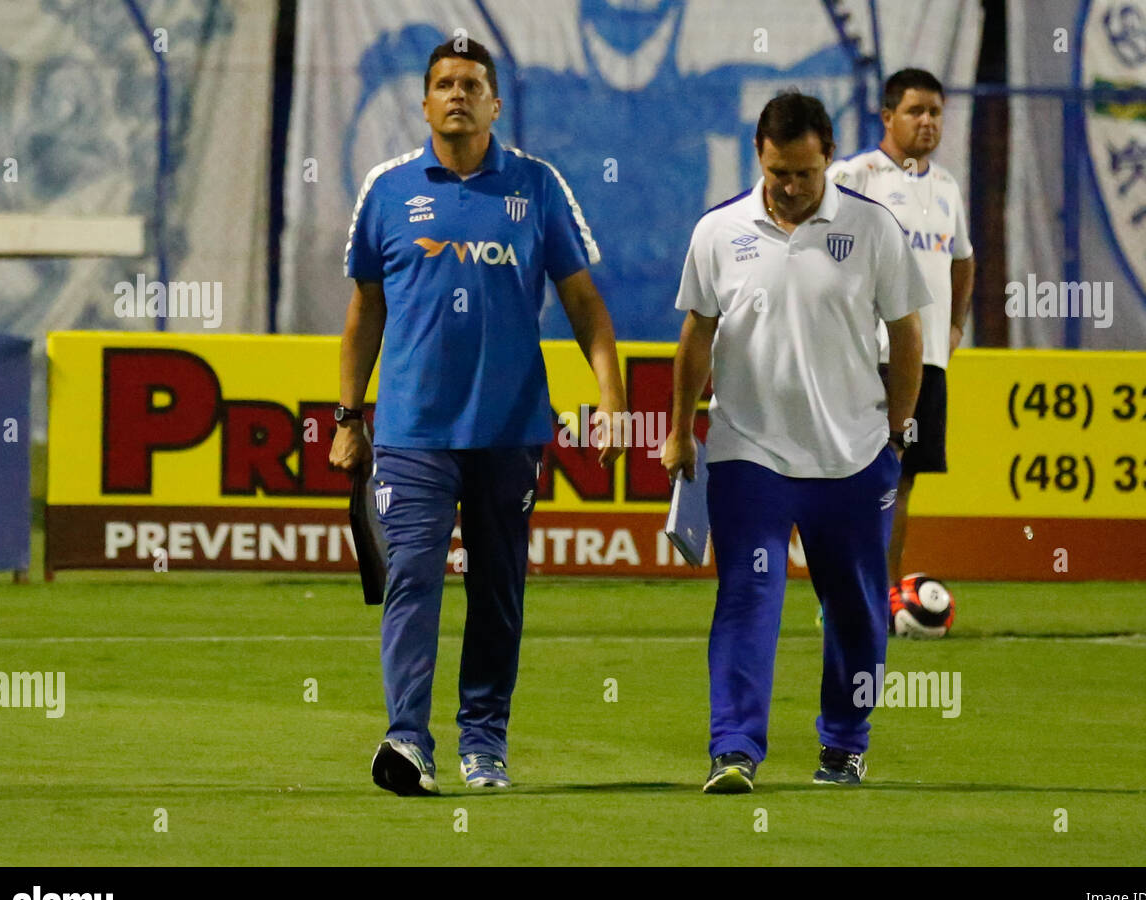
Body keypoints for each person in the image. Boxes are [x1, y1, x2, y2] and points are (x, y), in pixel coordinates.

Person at [330, 38, 627, 795]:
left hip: (510, 428)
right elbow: (365, 309)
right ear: (424, 104)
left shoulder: (537, 185)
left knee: (497, 589)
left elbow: (584, 303)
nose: (457, 94)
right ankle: (407, 740)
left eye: (472, 84)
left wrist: (611, 398)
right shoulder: (389, 190)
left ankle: (484, 742)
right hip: (411, 431)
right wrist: (346, 415)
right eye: (443, 84)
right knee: (413, 581)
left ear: (496, 103)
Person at [661, 90, 929, 792]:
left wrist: (898, 431)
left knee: (857, 610)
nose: (790, 186)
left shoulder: (874, 230)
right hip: (750, 452)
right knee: (750, 596)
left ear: (830, 157)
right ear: (760, 156)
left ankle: (844, 743)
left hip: (853, 456)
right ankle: (734, 749)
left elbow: (907, 335)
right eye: (779, 171)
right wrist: (679, 430)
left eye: (804, 173)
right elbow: (696, 335)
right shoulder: (718, 232)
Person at [828, 69, 975, 618]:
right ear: (887, 116)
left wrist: (954, 326)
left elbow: (963, 258)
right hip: (869, 355)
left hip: (927, 359)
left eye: (936, 112)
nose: (928, 122)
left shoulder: (947, 188)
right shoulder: (856, 175)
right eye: (916, 111)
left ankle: (882, 596)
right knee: (851, 479)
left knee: (900, 480)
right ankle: (843, 593)